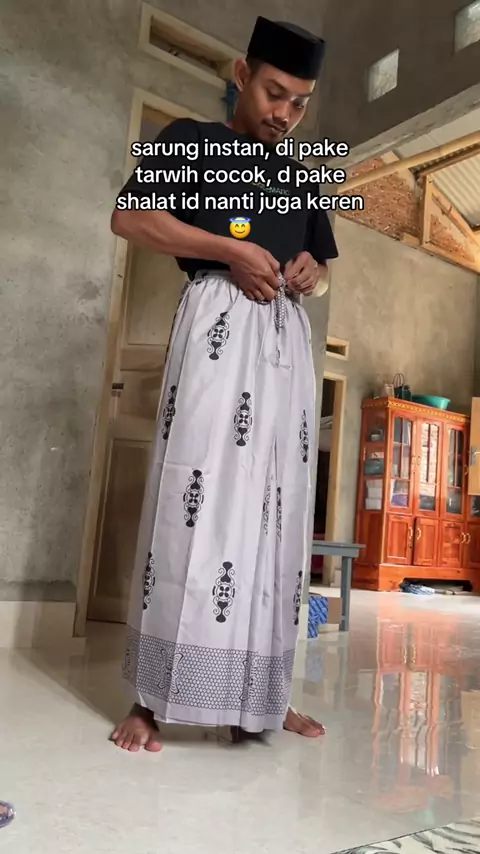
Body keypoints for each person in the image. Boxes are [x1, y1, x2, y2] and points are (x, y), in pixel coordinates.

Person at [111, 15, 339, 753]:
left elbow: (321, 265)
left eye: (300, 102)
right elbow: (129, 217)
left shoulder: (302, 175)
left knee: (276, 512)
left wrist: (311, 272)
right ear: (243, 75)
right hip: (217, 332)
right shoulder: (190, 142)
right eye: (275, 92)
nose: (286, 113)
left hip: (284, 346)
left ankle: (263, 698)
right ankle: (153, 700)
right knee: (195, 500)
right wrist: (228, 249)